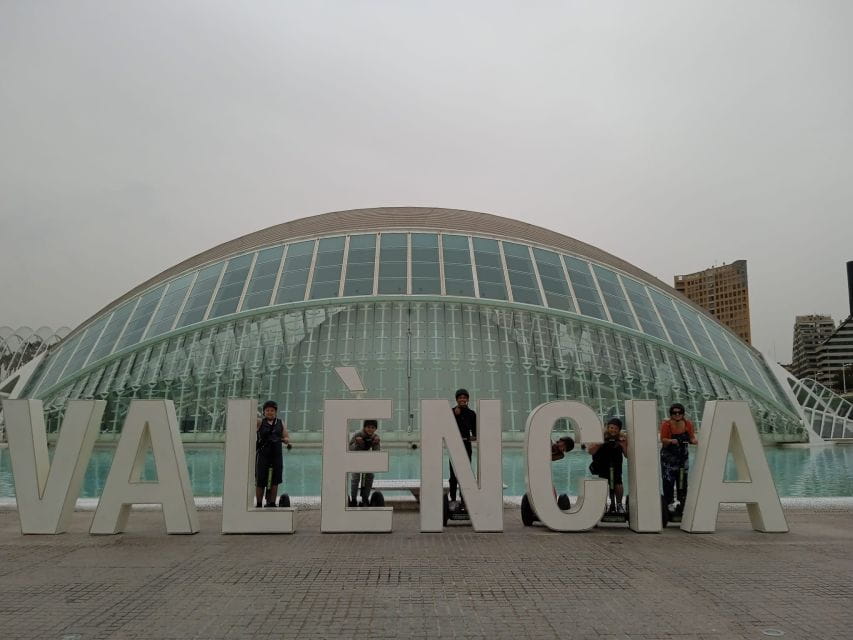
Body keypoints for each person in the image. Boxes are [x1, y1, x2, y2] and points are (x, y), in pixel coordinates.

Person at [660, 403, 697, 514]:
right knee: (668, 481)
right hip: (669, 458)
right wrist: (671, 441)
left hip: (683, 457)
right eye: (674, 412)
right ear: (671, 414)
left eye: (679, 412)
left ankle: (682, 503)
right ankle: (669, 504)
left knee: (682, 480)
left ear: (683, 413)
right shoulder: (666, 424)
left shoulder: (687, 424)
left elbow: (691, 437)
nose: (677, 414)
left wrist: (694, 441)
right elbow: (663, 439)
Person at [587, 417, 628, 513]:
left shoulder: (622, 438)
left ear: (619, 430)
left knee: (618, 483)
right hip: (603, 464)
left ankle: (618, 504)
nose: (613, 430)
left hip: (616, 464)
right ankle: (602, 504)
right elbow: (590, 451)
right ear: (608, 427)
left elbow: (627, 455)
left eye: (616, 428)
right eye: (611, 427)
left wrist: (623, 445)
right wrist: (599, 444)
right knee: (603, 483)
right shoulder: (600, 436)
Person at [255, 400, 289, 508]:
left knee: (275, 479)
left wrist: (285, 440)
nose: (270, 412)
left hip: (276, 455)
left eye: (272, 410)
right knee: (260, 479)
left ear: (276, 412)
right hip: (263, 454)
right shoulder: (259, 422)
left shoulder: (281, 422)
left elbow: (287, 437)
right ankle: (259, 503)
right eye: (267, 410)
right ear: (264, 412)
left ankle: (272, 503)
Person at [449, 388, 477, 506]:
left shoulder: (472, 414)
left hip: (466, 445)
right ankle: (453, 498)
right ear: (456, 399)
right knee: (453, 473)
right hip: (454, 445)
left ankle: (464, 497)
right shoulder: (451, 412)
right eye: (460, 397)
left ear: (468, 399)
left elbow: (475, 432)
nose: (462, 399)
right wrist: (454, 414)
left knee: (465, 472)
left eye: (464, 397)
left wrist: (472, 436)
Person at [349, 419, 381, 507]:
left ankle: (365, 499)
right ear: (364, 427)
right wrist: (356, 443)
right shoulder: (357, 434)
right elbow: (349, 448)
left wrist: (376, 443)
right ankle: (353, 499)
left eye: (372, 427)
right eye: (368, 427)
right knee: (355, 477)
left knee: (370, 476)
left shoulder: (375, 437)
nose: (370, 429)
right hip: (356, 459)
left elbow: (377, 453)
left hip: (367, 460)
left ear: (375, 429)